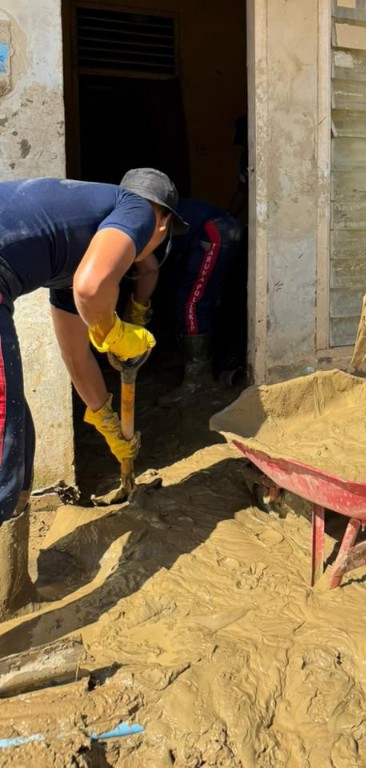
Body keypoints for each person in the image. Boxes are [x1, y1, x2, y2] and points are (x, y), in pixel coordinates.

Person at [0, 168, 187, 618]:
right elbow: (92, 291)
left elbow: (76, 357)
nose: (148, 254)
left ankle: (15, 585)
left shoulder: (77, 252)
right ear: (162, 222)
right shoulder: (138, 207)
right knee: (5, 443)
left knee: (18, 431)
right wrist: (114, 332)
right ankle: (7, 604)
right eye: (157, 243)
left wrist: (106, 421)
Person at [128, 198, 243, 407]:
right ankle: (186, 358)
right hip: (209, 233)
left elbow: (148, 269)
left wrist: (136, 312)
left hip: (215, 232)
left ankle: (198, 382)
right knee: (185, 295)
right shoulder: (131, 213)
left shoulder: (128, 223)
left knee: (192, 305)